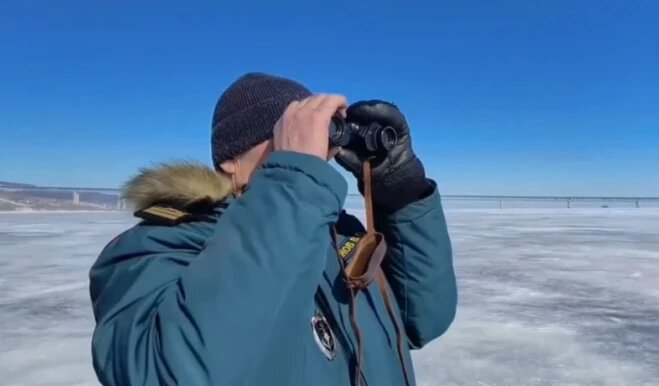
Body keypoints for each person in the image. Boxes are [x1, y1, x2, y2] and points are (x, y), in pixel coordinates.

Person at [88, 72, 458, 386]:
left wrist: (400, 194)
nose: (311, 147)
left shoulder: (333, 232)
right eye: (283, 133)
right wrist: (295, 176)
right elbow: (169, 372)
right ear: (230, 160)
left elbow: (421, 320)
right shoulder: (158, 246)